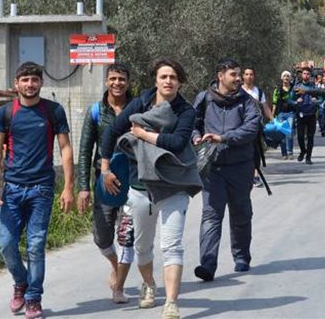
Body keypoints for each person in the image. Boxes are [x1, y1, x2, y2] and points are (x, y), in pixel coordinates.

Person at [100, 58, 201, 319]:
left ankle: (171, 303)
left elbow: (177, 142)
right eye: (163, 76)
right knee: (142, 247)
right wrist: (105, 168)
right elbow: (112, 131)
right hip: (139, 186)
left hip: (173, 185)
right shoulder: (141, 103)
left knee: (172, 245)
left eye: (173, 77)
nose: (168, 81)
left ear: (180, 82)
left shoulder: (185, 111)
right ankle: (149, 284)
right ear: (155, 80)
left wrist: (144, 135)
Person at [0, 62, 75, 319]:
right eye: (24, 80)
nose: (30, 84)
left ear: (41, 83)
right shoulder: (6, 113)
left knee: (35, 245)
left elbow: (65, 148)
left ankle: (34, 298)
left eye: (34, 79)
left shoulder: (53, 111)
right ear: (16, 84)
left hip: (42, 189)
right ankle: (21, 282)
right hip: (12, 189)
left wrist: (68, 187)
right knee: (6, 245)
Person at [192, 59, 262, 281]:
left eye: (239, 74)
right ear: (220, 76)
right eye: (234, 74)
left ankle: (241, 257)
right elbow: (192, 123)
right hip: (212, 168)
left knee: (241, 213)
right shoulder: (204, 98)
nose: (238, 78)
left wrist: (223, 138)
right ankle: (207, 265)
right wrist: (196, 137)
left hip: (240, 167)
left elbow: (251, 129)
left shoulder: (248, 102)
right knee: (211, 215)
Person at [76, 63, 135, 304]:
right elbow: (84, 150)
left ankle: (118, 287)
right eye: (113, 79)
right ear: (106, 81)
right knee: (102, 238)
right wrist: (83, 187)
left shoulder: (137, 108)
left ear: (128, 82)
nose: (117, 83)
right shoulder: (96, 111)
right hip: (104, 181)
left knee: (127, 236)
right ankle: (115, 265)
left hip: (133, 180)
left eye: (121, 79)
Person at [241, 67, 270, 188]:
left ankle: (255, 175)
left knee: (256, 151)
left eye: (251, 74)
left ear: (254, 76)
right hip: (240, 126)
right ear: (243, 76)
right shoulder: (237, 91)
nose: (249, 77)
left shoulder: (259, 92)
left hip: (255, 126)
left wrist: (273, 120)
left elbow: (265, 107)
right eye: (246, 74)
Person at [293, 67, 319, 164]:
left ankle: (308, 157)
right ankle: (303, 151)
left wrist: (316, 101)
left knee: (310, 137)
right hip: (301, 115)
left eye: (308, 74)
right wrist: (296, 101)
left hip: (311, 114)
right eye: (304, 73)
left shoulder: (314, 87)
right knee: (300, 136)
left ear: (310, 75)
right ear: (302, 75)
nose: (306, 75)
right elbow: (290, 99)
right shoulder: (297, 87)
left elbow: (321, 99)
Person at [272, 71, 296, 160]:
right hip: (280, 113)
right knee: (282, 133)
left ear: (290, 78)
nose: (286, 77)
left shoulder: (293, 89)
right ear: (282, 78)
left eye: (288, 76)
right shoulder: (277, 90)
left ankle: (290, 152)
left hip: (290, 113)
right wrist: (272, 115)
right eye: (284, 76)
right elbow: (274, 103)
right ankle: (284, 153)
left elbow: (296, 100)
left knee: (289, 133)